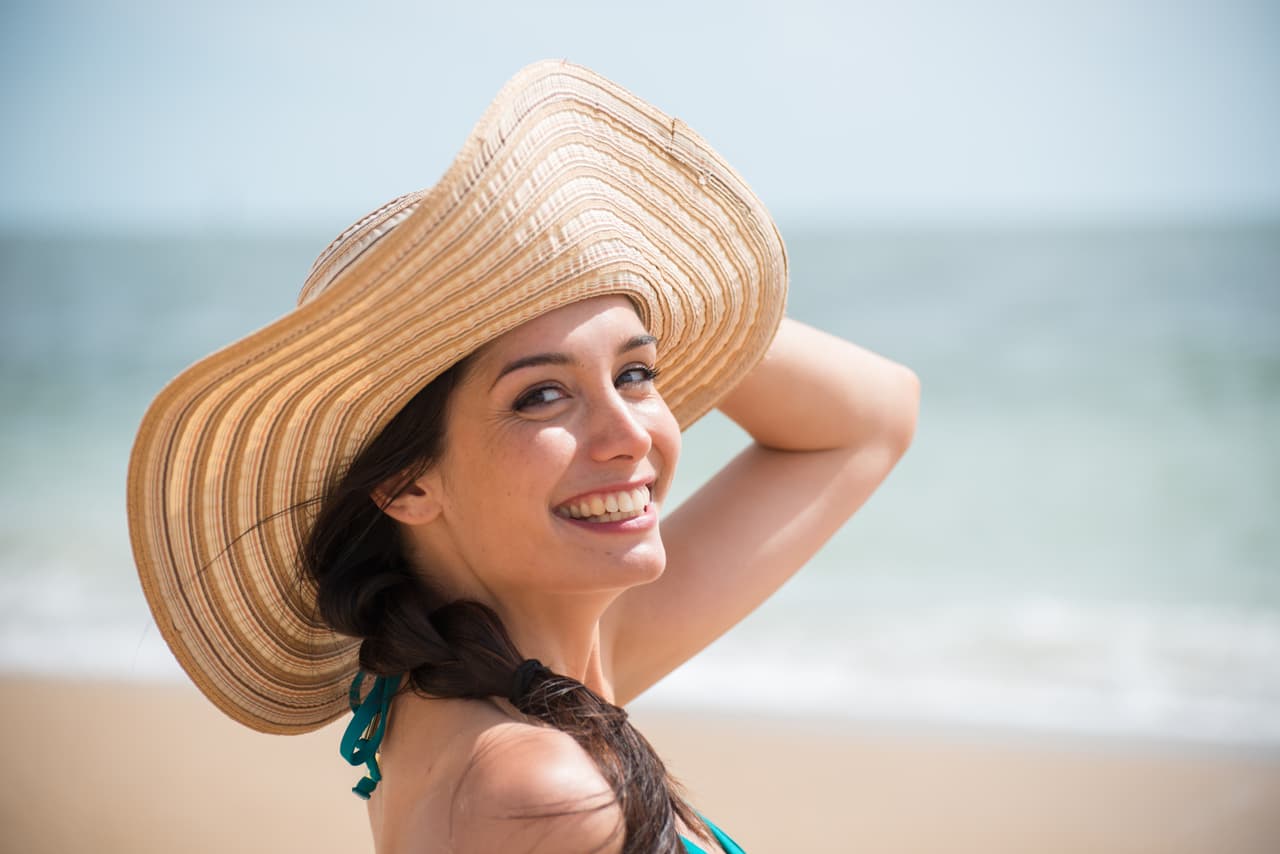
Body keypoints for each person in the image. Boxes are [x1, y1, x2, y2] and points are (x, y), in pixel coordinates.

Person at [128, 60, 918, 854]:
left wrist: (574, 267)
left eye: (636, 374)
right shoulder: (540, 794)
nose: (631, 433)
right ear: (405, 482)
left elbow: (875, 417)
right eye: (542, 395)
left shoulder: (501, 671)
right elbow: (867, 424)